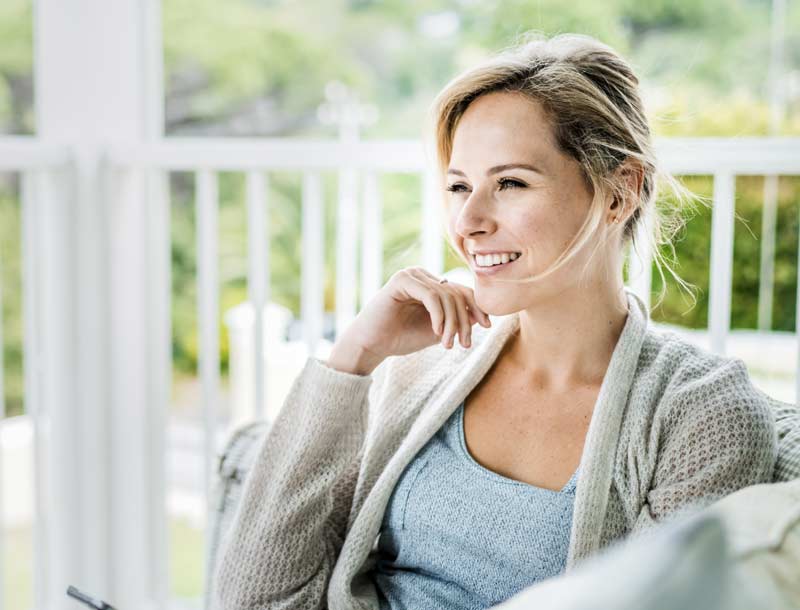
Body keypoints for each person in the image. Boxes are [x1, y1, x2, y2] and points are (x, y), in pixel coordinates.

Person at [212, 32, 777, 610]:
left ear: (620, 191)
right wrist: (353, 358)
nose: (469, 221)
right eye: (459, 186)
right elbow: (255, 599)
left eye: (510, 183)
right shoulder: (421, 365)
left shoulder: (702, 416)